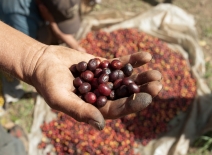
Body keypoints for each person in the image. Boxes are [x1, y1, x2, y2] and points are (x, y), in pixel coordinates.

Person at [0, 0, 87, 52]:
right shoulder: (18, 15)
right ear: (43, 8)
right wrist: (53, 23)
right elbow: (24, 52)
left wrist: (76, 46)